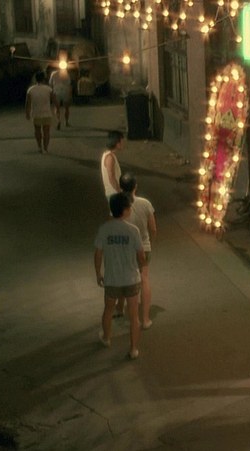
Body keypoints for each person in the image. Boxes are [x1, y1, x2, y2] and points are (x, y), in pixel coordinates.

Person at [94, 192, 146, 360]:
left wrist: (98, 273)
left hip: (112, 279)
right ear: (124, 210)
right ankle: (133, 349)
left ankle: (107, 337)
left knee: (108, 310)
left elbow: (98, 253)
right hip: (131, 279)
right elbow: (141, 256)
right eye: (129, 207)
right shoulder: (133, 230)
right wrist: (141, 267)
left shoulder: (104, 229)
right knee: (134, 316)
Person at [115, 173, 156, 329]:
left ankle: (120, 308)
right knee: (144, 279)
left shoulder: (117, 204)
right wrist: (150, 243)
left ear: (120, 187)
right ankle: (145, 319)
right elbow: (153, 228)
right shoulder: (145, 204)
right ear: (135, 186)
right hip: (143, 247)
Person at [25, 71, 57, 154]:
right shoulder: (48, 89)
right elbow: (54, 100)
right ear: (43, 79)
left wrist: (27, 113)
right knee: (46, 132)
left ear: (36, 79)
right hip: (47, 113)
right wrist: (57, 109)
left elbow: (28, 103)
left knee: (37, 131)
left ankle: (39, 147)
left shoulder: (31, 90)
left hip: (36, 113)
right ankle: (45, 148)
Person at [101, 131, 124, 200]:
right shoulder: (109, 157)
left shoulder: (109, 155)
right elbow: (111, 177)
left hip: (113, 193)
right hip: (114, 193)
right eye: (121, 142)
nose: (123, 144)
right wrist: (120, 192)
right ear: (117, 143)